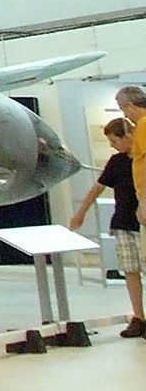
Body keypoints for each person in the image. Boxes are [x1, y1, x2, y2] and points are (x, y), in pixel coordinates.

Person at [67, 117, 142, 338]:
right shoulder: (116, 162)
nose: (113, 146)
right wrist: (81, 212)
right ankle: (138, 316)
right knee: (130, 270)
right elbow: (97, 188)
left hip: (142, 223)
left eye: (114, 141)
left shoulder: (141, 158)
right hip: (124, 222)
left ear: (126, 137)